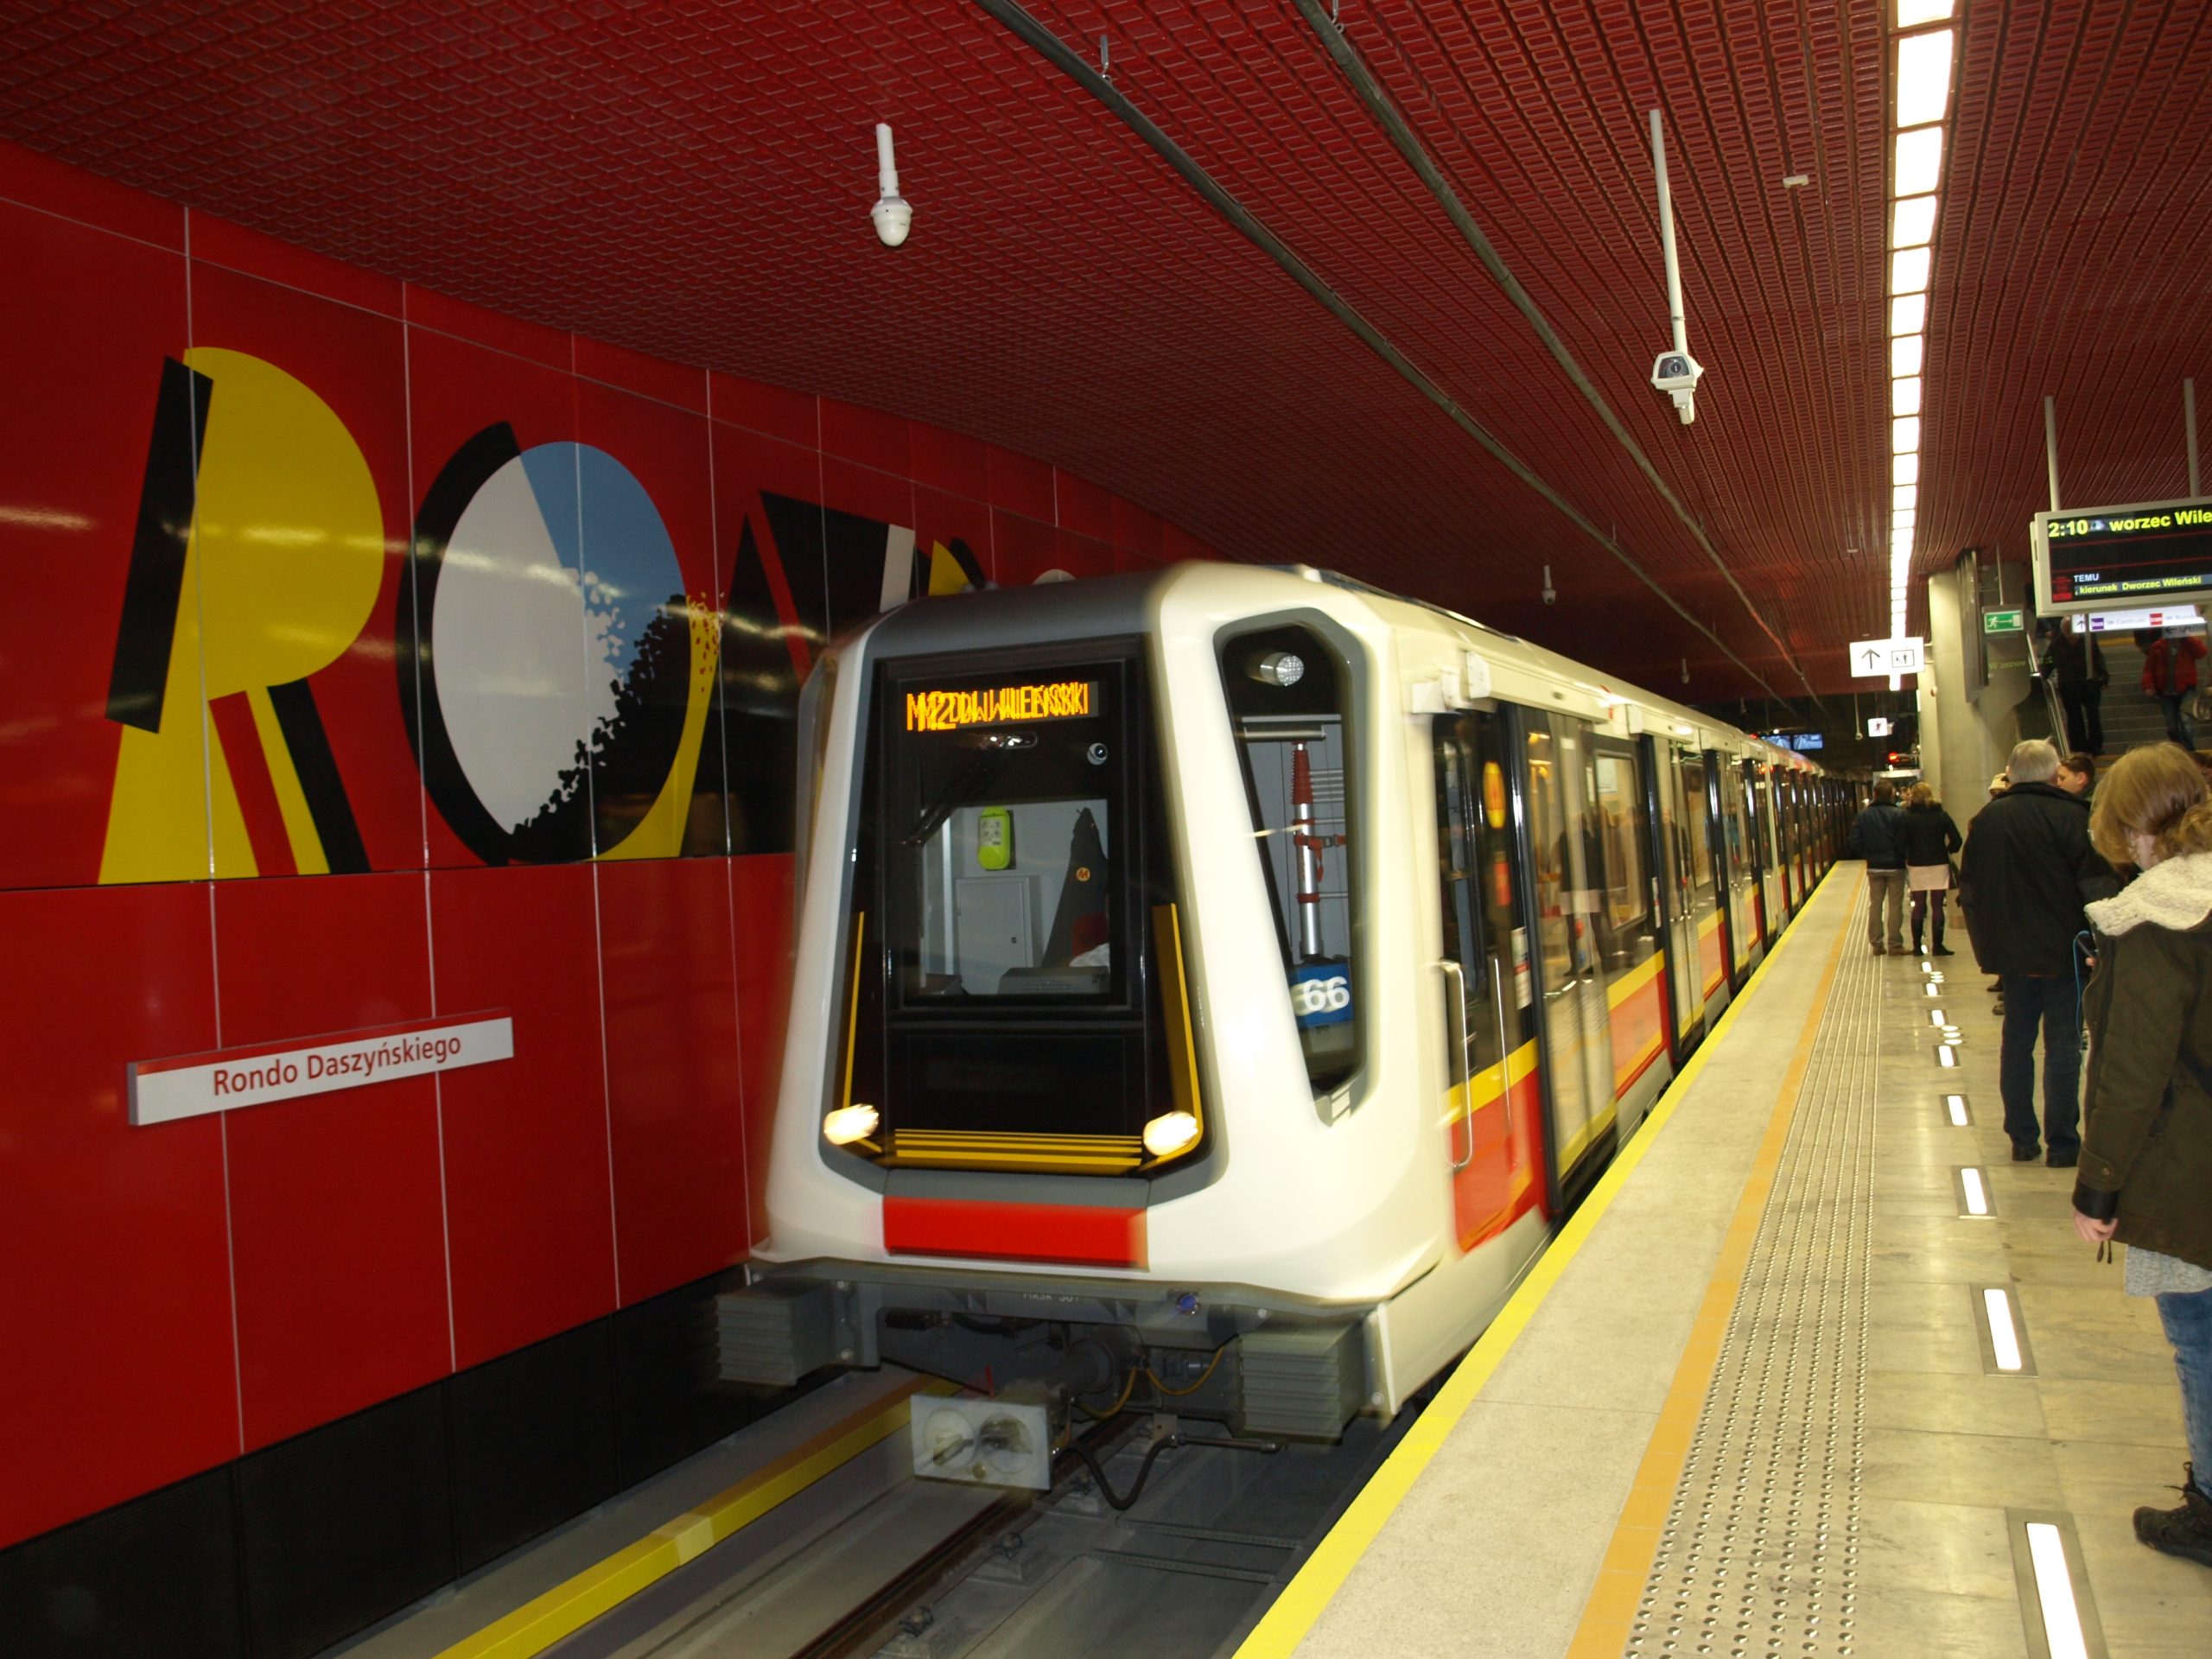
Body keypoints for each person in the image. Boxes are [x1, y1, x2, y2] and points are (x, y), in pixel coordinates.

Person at [2069, 743, 2212, 1567]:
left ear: (2129, 826)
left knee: (2198, 1336)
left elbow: (2133, 1068)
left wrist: (2099, 1186)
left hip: (2186, 1167)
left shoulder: (2156, 917)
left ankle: (2210, 1509)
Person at [1959, 739, 2118, 1164]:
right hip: (2066, 954)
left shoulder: (1986, 822)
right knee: (2064, 1046)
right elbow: (2097, 888)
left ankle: (2022, 1139)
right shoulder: (2073, 818)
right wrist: (2102, 944)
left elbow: (1970, 892)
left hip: (2012, 957)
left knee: (2016, 1044)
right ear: (2053, 774)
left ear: (2011, 773)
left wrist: (1987, 951)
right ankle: (2064, 1143)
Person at [1899, 782, 1961, 956]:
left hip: (1916, 864)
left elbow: (1900, 842)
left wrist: (1907, 854)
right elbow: (1957, 839)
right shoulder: (1941, 815)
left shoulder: (1907, 817)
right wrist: (1947, 851)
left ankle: (1917, 947)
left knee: (1918, 905)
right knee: (1937, 906)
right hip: (1939, 863)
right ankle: (1938, 946)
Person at [1847, 781, 1909, 955]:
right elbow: (1904, 840)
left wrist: (1869, 854)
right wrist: (1900, 855)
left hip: (1874, 866)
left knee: (1875, 904)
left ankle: (1876, 945)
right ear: (1891, 794)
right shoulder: (1900, 814)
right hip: (1896, 866)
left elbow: (1854, 841)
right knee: (1895, 905)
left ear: (1874, 794)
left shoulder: (1863, 815)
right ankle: (1895, 945)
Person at [2139, 627, 2209, 749]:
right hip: (2165, 692)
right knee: (2171, 726)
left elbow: (2202, 652)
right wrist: (2148, 685)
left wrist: (2186, 636)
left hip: (2187, 689)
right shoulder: (2158, 646)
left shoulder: (2188, 644)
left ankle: (2189, 750)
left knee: (2186, 721)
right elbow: (2149, 668)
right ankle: (2179, 747)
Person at [2045, 620, 2107, 753]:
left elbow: (2098, 658)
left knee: (2093, 715)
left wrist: (2103, 677)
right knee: (2074, 717)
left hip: (2089, 683)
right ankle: (2079, 746)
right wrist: (2042, 677)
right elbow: (2048, 661)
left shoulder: (2088, 640)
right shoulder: (2056, 644)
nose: (2071, 635)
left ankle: (2095, 745)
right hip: (2069, 685)